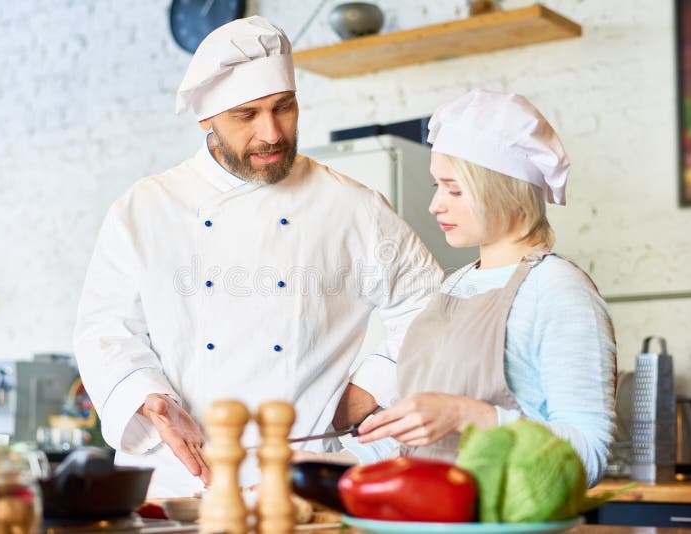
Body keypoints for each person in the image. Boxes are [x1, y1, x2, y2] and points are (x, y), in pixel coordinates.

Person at [73, 16, 441, 497]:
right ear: (206, 119)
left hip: (296, 473)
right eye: (246, 116)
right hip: (178, 478)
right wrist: (148, 399)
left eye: (283, 108)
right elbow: (104, 329)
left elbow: (430, 307)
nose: (271, 133)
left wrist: (372, 387)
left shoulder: (352, 207)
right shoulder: (144, 208)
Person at [345, 90, 616, 487]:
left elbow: (589, 455)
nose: (435, 205)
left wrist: (467, 414)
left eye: (453, 189)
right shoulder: (454, 286)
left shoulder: (558, 290)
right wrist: (320, 462)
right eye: (438, 186)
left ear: (503, 188)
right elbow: (415, 446)